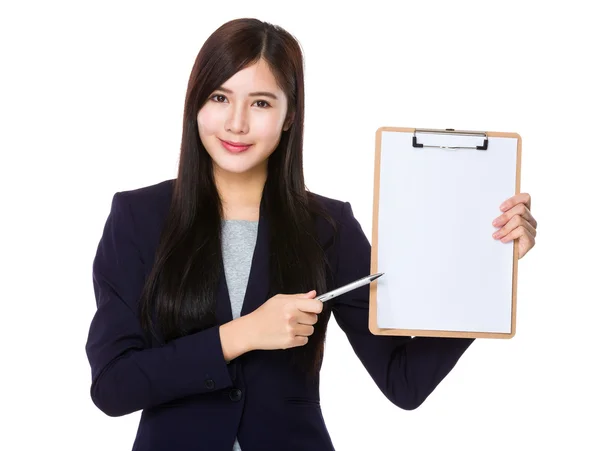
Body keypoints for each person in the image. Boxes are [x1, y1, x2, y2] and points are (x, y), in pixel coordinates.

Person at [85, 17, 538, 451]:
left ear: (288, 116)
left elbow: (404, 381)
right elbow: (112, 386)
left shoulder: (328, 226)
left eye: (261, 103)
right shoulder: (138, 216)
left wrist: (488, 267)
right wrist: (242, 334)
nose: (237, 123)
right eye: (220, 98)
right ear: (196, 104)